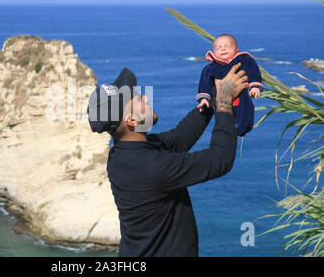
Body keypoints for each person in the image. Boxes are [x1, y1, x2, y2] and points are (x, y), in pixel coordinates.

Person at [87, 64, 249, 256]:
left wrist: (212, 99)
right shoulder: (151, 167)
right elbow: (220, 159)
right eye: (138, 99)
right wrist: (224, 102)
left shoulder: (124, 153)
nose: (146, 98)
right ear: (131, 119)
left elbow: (180, 138)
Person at [196, 34, 264, 136]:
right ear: (214, 52)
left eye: (227, 46)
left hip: (241, 95)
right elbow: (204, 82)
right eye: (219, 48)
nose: (223, 49)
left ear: (236, 51)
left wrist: (255, 85)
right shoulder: (210, 68)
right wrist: (204, 98)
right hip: (219, 98)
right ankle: (225, 132)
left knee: (246, 110)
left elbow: (252, 69)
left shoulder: (242, 59)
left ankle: (243, 128)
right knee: (222, 117)